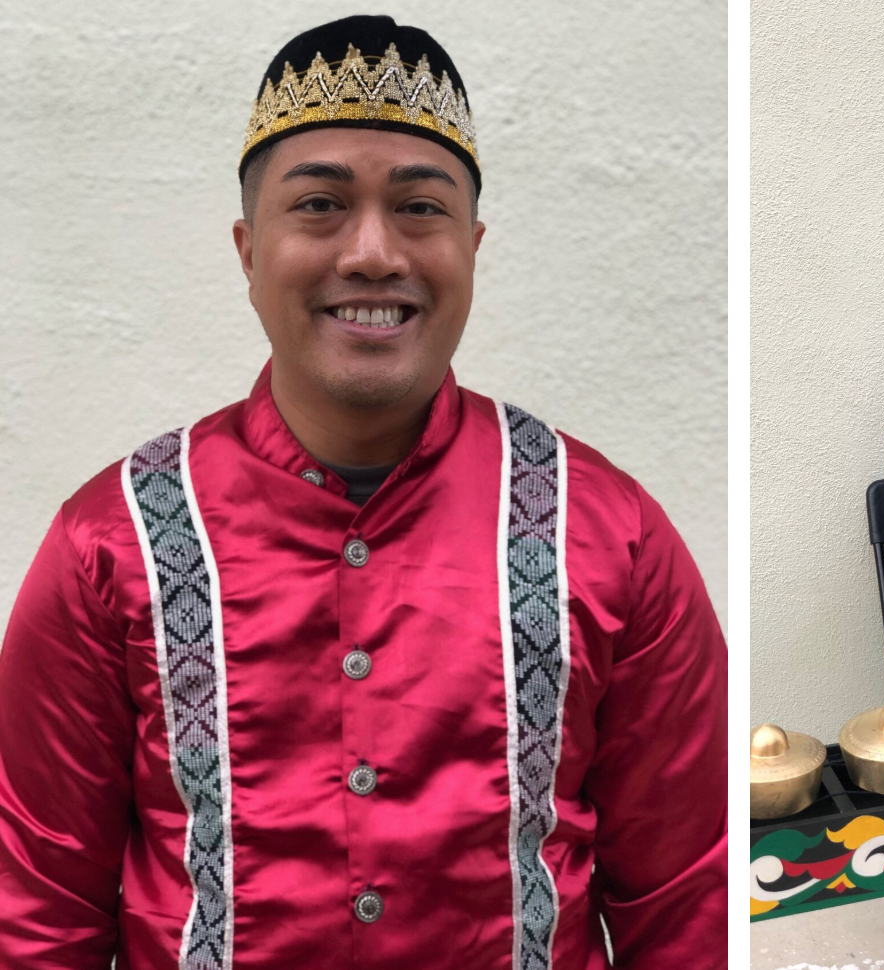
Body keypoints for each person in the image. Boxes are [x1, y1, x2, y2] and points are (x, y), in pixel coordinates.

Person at [0, 15, 726, 969]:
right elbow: (36, 908)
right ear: (248, 249)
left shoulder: (610, 534)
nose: (374, 252)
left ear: (473, 244)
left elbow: (688, 900)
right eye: (319, 206)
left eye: (420, 208)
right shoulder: (113, 542)